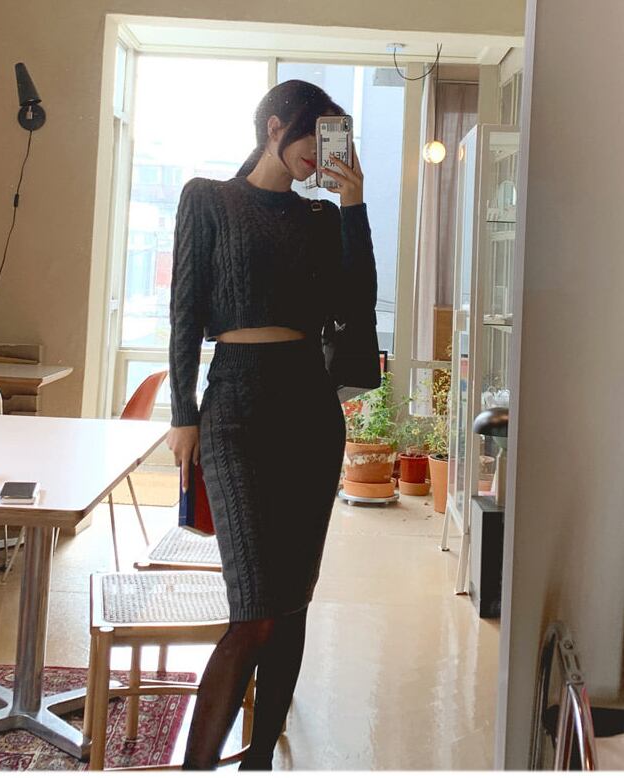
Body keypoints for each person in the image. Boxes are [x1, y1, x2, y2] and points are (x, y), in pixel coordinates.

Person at [165, 79, 380, 770]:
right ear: (276, 126)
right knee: (254, 609)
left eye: (333, 142)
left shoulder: (319, 217)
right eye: (314, 137)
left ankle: (259, 760)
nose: (320, 154)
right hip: (234, 406)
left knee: (289, 605)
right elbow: (185, 312)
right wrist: (183, 413)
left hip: (309, 410)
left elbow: (356, 302)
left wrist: (353, 206)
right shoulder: (208, 198)